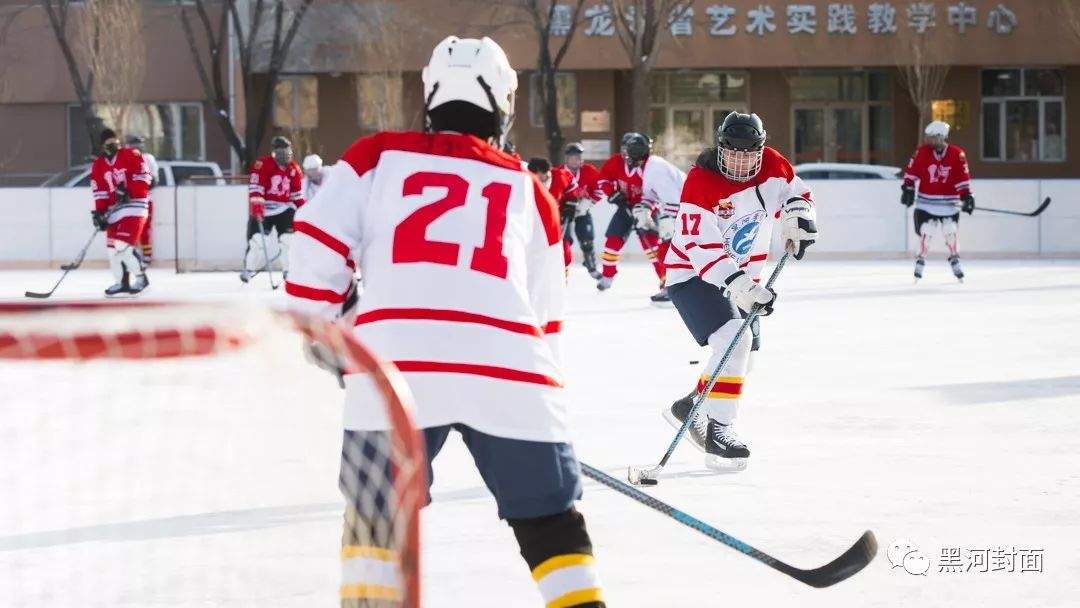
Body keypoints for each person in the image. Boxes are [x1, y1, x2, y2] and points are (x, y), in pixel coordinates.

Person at [286, 36, 605, 608]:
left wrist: (329, 340)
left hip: (392, 366)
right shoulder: (529, 189)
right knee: (550, 524)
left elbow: (315, 246)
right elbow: (547, 318)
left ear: (430, 94)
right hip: (511, 369)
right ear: (504, 104)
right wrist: (535, 418)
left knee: (375, 517)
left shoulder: (375, 156)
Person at [660, 113, 817, 472]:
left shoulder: (774, 165)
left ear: (761, 149)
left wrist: (797, 218)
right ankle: (720, 431)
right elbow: (701, 248)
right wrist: (740, 287)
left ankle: (693, 405)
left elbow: (799, 194)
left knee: (742, 353)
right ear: (720, 148)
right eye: (734, 154)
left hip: (745, 276)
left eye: (750, 154)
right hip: (692, 275)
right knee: (735, 340)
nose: (742, 162)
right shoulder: (700, 182)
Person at [901, 120, 974, 282]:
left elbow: (963, 177)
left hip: (949, 203)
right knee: (927, 230)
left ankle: (954, 257)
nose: (927, 140)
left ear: (941, 137)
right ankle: (921, 258)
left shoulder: (957, 154)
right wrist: (908, 188)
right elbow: (911, 172)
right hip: (926, 202)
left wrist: (966, 196)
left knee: (950, 230)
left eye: (931, 137)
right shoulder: (921, 152)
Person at [595, 133, 665, 295]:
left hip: (646, 210)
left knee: (653, 247)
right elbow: (603, 180)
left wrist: (647, 208)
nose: (626, 153)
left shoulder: (649, 166)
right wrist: (612, 193)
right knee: (612, 242)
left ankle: (665, 279)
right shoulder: (615, 161)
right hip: (624, 208)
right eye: (624, 148)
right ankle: (607, 276)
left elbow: (658, 191)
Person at [89, 128, 153, 296]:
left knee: (123, 246)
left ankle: (141, 278)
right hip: (114, 211)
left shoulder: (132, 155)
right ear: (102, 146)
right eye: (108, 143)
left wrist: (129, 191)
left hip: (135, 206)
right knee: (112, 251)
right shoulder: (98, 165)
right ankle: (121, 283)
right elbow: (100, 192)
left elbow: (145, 178)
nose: (112, 146)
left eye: (114, 142)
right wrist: (99, 213)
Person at [241, 136, 305, 282]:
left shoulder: (294, 168)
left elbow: (296, 195)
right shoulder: (262, 164)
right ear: (274, 151)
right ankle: (249, 269)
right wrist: (257, 208)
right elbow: (256, 188)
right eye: (281, 150)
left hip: (284, 208)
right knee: (258, 241)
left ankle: (288, 271)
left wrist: (304, 211)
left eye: (287, 149)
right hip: (265, 208)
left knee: (288, 241)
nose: (285, 153)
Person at [638, 148, 686, 305]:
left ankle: (673, 289)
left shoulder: (655, 169)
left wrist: (668, 220)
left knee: (670, 251)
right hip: (680, 211)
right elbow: (651, 195)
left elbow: (673, 199)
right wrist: (644, 210)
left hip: (684, 211)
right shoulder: (650, 167)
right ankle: (671, 287)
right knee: (667, 251)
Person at [558, 143, 602, 279]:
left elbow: (599, 189)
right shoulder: (559, 172)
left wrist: (588, 203)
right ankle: (561, 267)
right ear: (566, 158)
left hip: (582, 209)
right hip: (564, 211)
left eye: (578, 157)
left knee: (587, 238)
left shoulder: (589, 171)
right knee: (564, 240)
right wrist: (562, 208)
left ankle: (591, 265)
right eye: (572, 157)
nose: (575, 160)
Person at [528, 156, 576, 270]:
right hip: (538, 222)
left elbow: (572, 184)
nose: (540, 181)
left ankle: (563, 277)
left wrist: (571, 203)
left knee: (565, 252)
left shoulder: (559, 175)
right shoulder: (526, 180)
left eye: (542, 177)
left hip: (560, 219)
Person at [125, 134, 158, 265]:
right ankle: (130, 255)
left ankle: (146, 256)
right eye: (133, 145)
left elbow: (154, 180)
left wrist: (140, 190)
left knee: (144, 228)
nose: (136, 148)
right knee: (128, 229)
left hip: (145, 199)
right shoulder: (124, 159)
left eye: (138, 145)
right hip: (128, 201)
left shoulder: (148, 159)